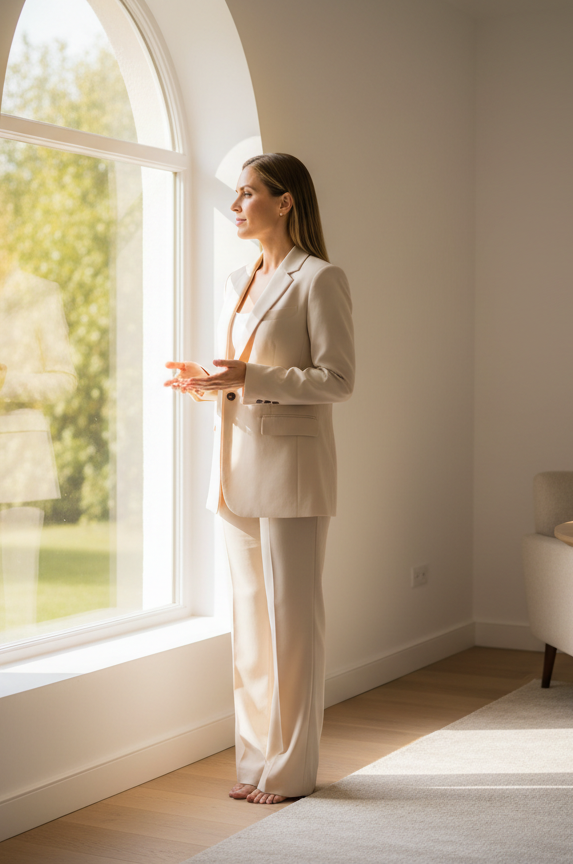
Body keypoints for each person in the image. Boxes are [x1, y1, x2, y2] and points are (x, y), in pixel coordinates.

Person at [165, 153, 355, 804]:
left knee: (292, 625)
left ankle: (292, 771)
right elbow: (244, 370)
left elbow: (338, 380)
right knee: (250, 627)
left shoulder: (320, 280)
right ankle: (254, 764)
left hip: (293, 476)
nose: (236, 204)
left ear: (285, 202)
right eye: (236, 194)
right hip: (235, 470)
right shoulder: (236, 281)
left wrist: (250, 379)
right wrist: (208, 381)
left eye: (248, 193)